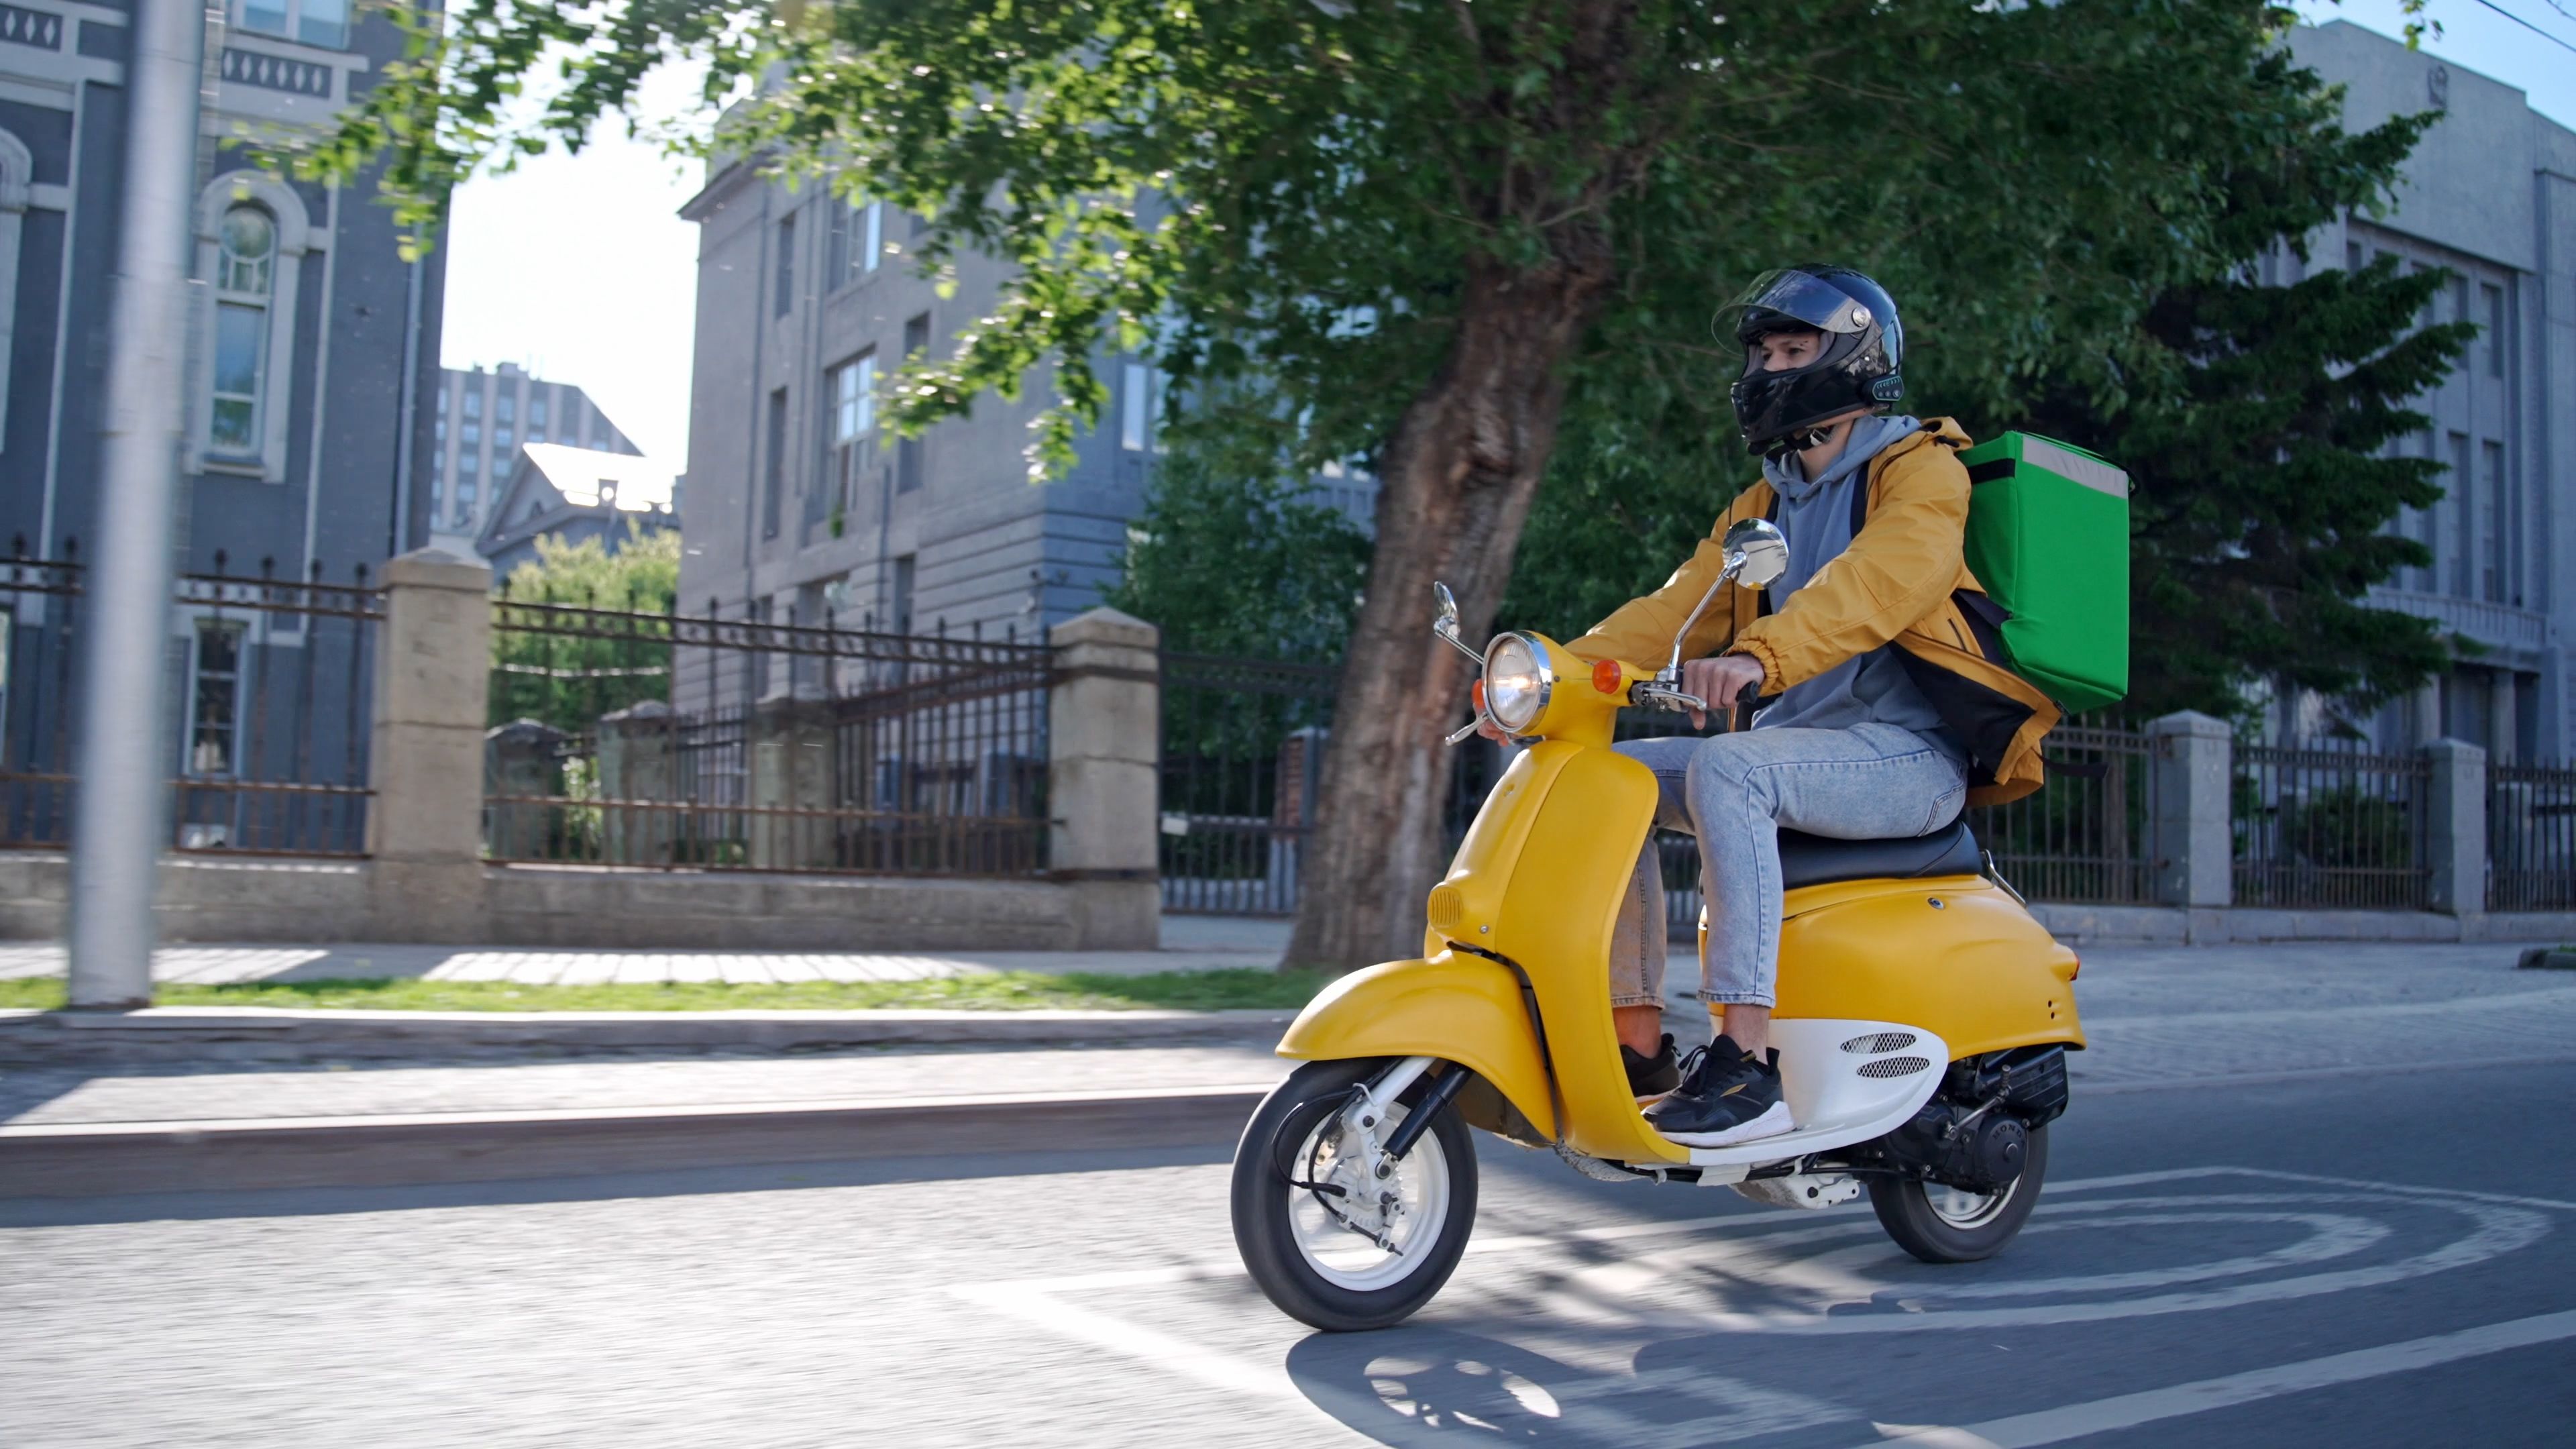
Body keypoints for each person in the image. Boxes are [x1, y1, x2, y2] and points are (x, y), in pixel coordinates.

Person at [1507, 264, 2058, 1148]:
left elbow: (1877, 586)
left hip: (1904, 759)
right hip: (1805, 756)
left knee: (1730, 766)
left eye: (1792, 349)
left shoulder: (1920, 470)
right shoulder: (1765, 500)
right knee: (1601, 776)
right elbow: (1678, 607)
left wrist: (1758, 658)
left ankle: (1745, 1063)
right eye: (1761, 352)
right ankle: (1636, 1037)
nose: (1767, 370)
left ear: (1853, 361)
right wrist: (1551, 674)